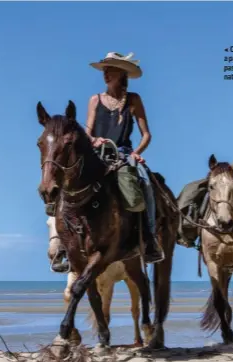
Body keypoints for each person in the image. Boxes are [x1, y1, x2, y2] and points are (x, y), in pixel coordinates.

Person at [85, 52, 164, 264]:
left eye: (110, 70)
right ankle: (63, 245)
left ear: (121, 74)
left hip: (123, 154)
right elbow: (88, 130)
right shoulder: (95, 100)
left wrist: (137, 152)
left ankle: (149, 239)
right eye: (105, 70)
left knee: (145, 184)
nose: (106, 74)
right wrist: (93, 141)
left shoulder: (133, 100)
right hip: (97, 153)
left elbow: (146, 134)